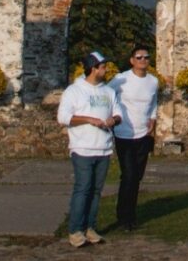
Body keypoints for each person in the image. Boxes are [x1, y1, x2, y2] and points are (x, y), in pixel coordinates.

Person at [58, 51, 122, 249]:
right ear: (93, 69)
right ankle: (75, 230)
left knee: (96, 191)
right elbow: (63, 117)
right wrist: (88, 119)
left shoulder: (108, 91)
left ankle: (90, 227)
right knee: (83, 188)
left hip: (103, 147)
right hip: (82, 147)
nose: (106, 69)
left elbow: (118, 113)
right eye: (103, 66)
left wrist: (114, 120)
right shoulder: (74, 91)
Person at [107, 44, 159, 232]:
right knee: (128, 175)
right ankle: (123, 217)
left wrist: (152, 118)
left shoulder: (153, 81)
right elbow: (107, 95)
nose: (143, 60)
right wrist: (112, 115)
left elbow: (154, 101)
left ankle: (131, 215)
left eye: (146, 57)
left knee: (136, 177)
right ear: (132, 60)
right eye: (139, 57)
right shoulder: (121, 79)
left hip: (143, 134)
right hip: (124, 134)